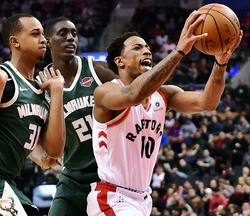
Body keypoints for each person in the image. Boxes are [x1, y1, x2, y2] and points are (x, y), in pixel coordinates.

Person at [87, 10, 243, 216]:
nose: (147, 51)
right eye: (137, 47)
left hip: (143, 199)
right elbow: (133, 94)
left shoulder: (164, 96)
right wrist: (179, 51)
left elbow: (207, 102)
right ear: (120, 61)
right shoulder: (106, 92)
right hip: (113, 199)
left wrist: (221, 63)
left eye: (148, 48)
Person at [0, 13, 65, 216]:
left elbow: (51, 152)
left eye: (43, 34)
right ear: (15, 41)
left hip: (6, 177)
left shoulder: (42, 89)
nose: (44, 39)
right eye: (35, 34)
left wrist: (57, 92)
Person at [43, 16, 118, 216]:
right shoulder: (42, 85)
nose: (71, 38)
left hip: (110, 175)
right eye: (63, 33)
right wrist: (40, 155)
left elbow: (132, 95)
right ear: (48, 41)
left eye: (74, 34)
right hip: (73, 177)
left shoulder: (98, 70)